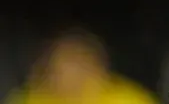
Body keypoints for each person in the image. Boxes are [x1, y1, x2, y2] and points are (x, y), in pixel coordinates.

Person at [5, 29, 158, 104]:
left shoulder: (129, 99)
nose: (70, 76)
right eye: (59, 68)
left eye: (78, 65)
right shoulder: (29, 98)